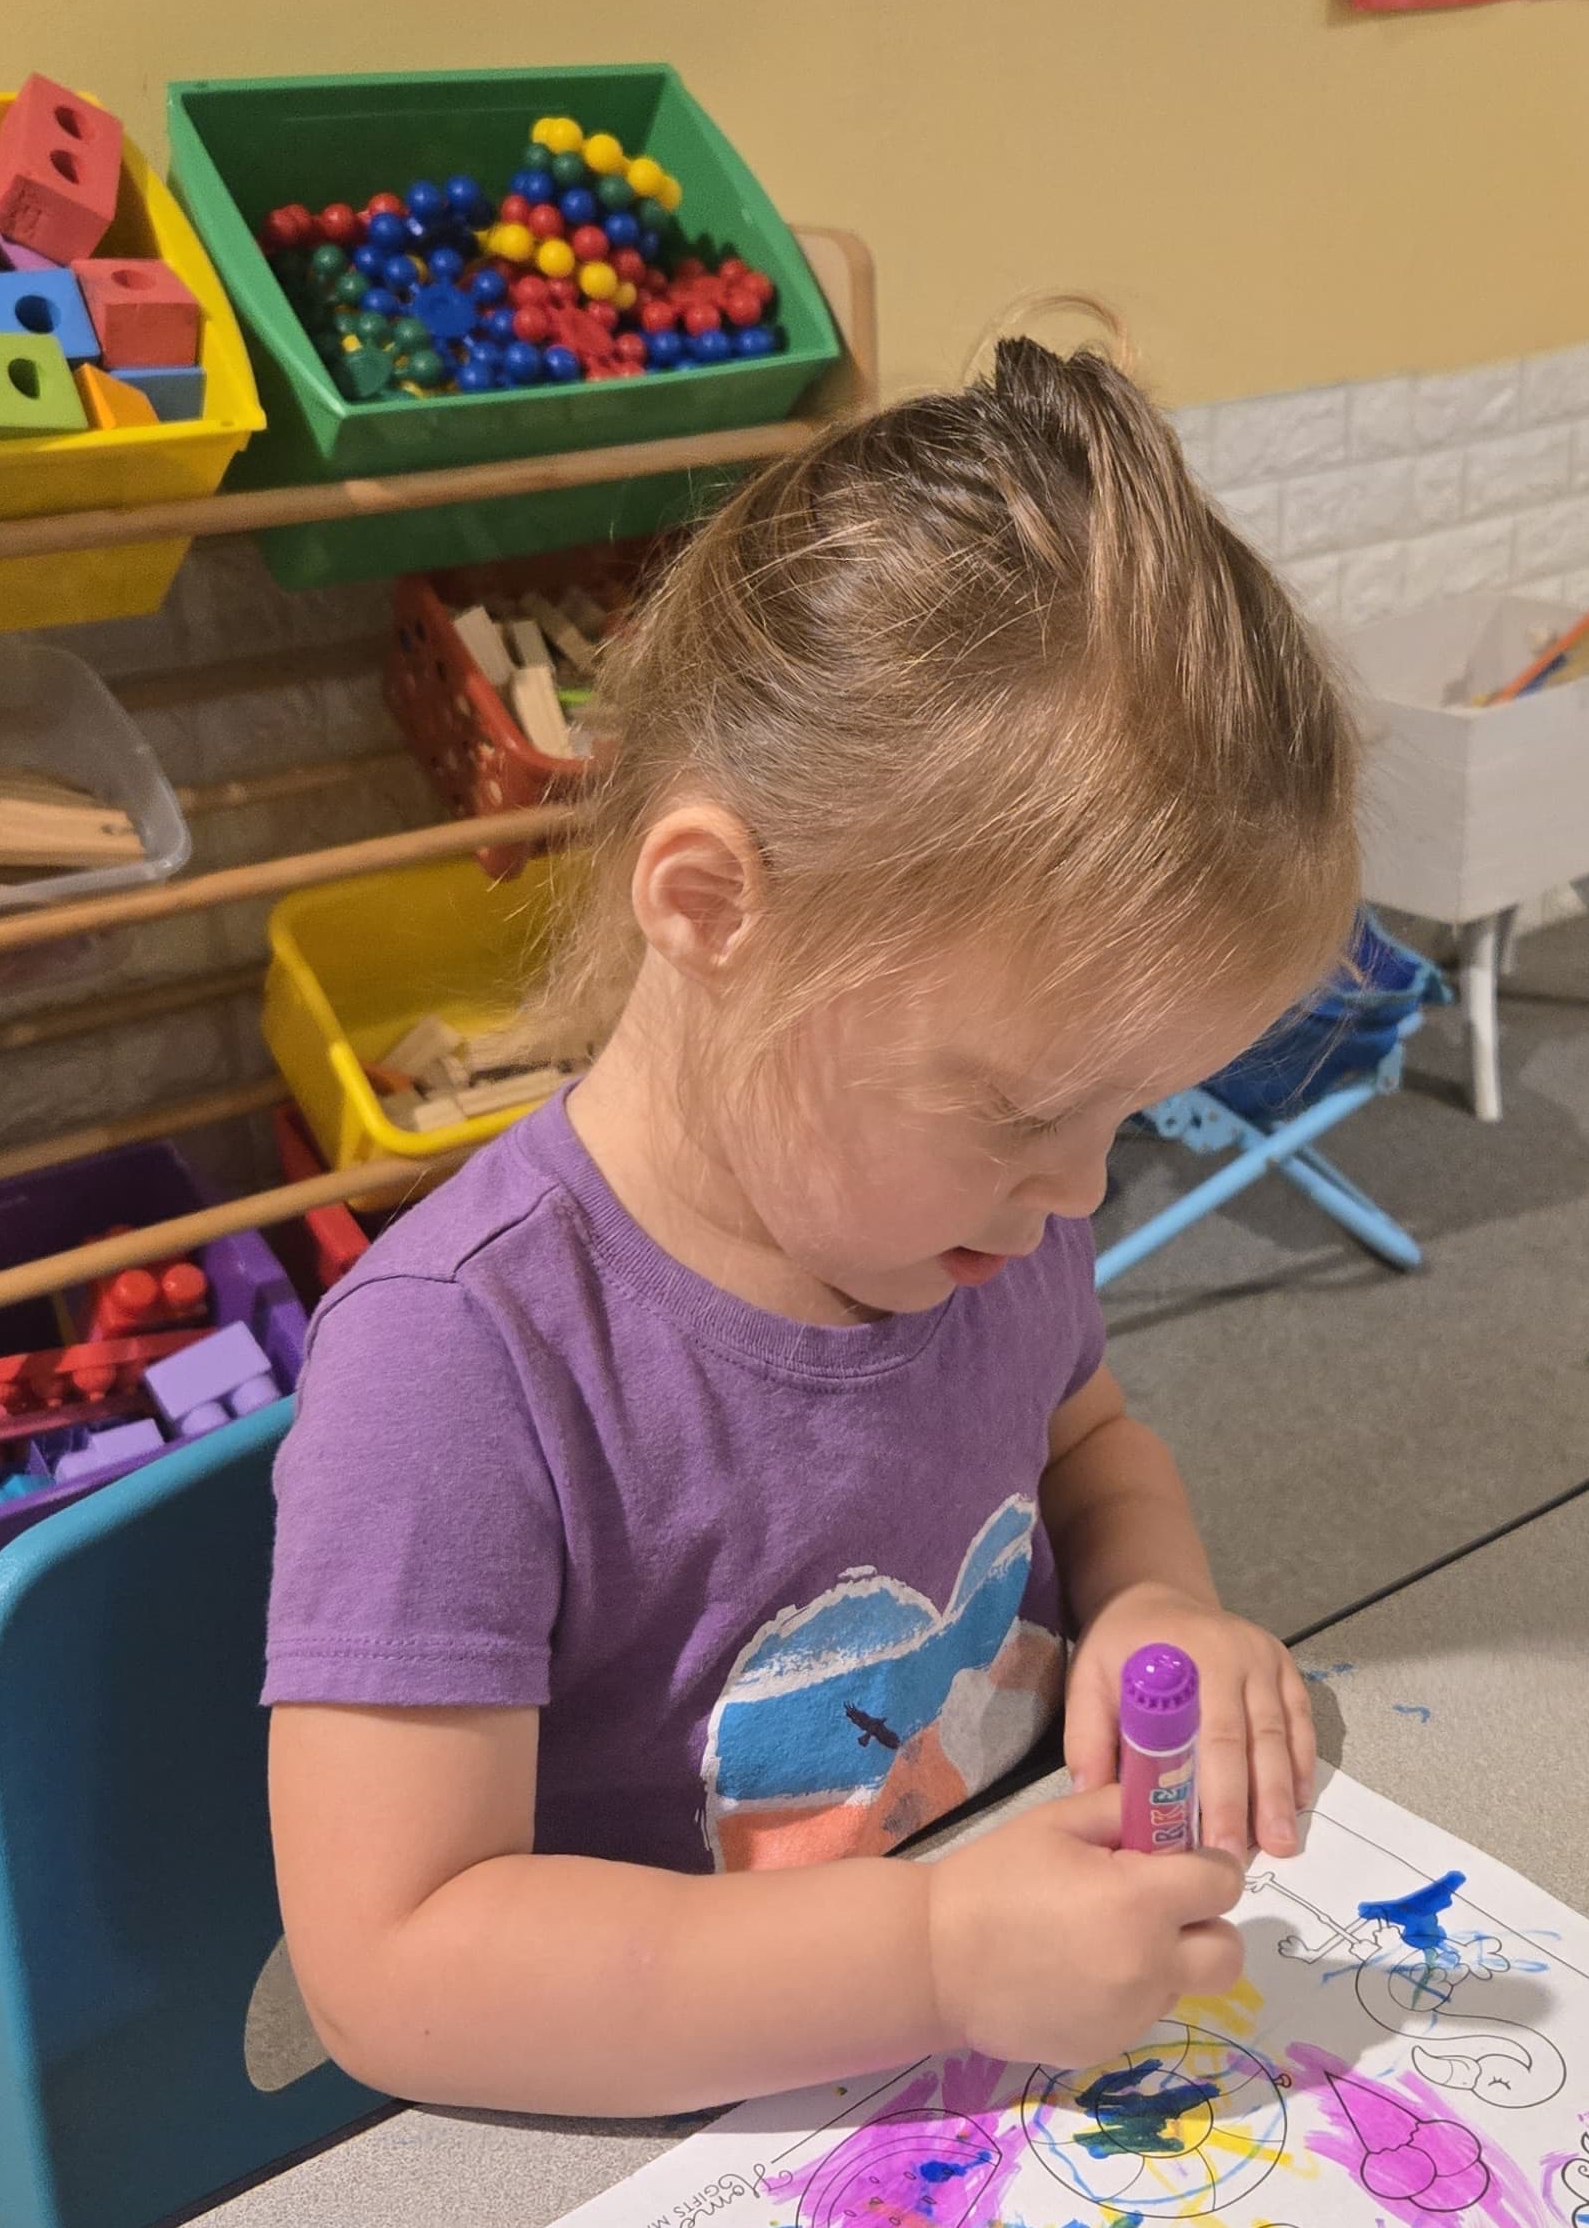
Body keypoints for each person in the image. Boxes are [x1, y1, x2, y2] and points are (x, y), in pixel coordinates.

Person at [265, 333, 1359, 2116]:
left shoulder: (982, 1222)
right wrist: (926, 1958)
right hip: (662, 2156)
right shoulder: (459, 1360)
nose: (1083, 1192)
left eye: (1127, 1115)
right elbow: (394, 1969)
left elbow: (1084, 1436)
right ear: (712, 910)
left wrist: (1165, 1602)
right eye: (1022, 1110)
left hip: (978, 2037)